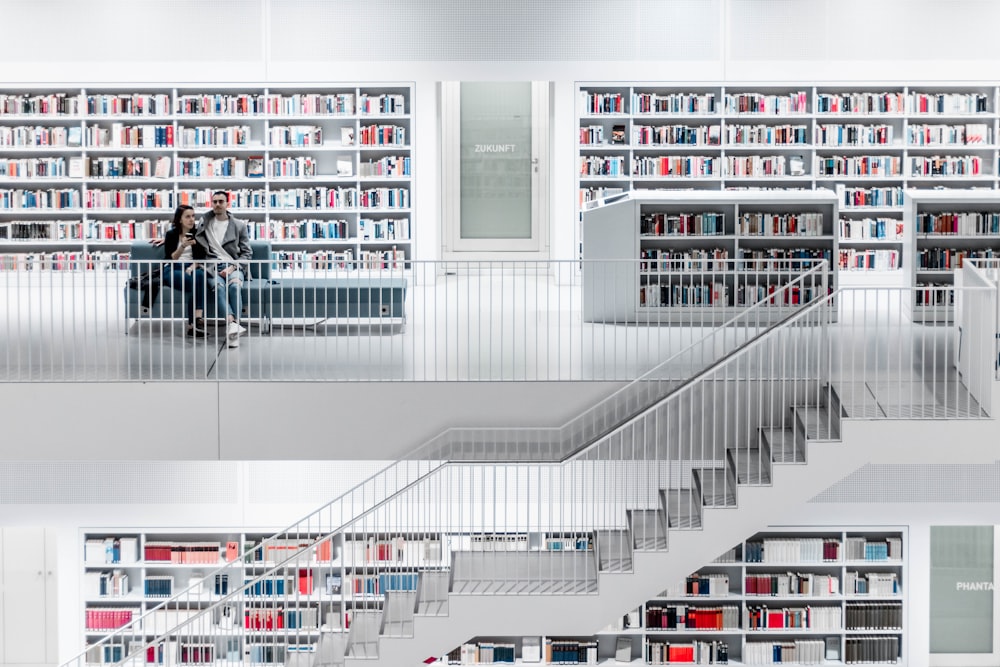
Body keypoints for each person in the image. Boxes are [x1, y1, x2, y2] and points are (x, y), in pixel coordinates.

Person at [192, 190, 252, 348]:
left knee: (234, 287)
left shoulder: (239, 225)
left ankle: (234, 328)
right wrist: (166, 238)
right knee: (218, 289)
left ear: (227, 204)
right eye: (215, 201)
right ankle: (233, 328)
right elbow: (187, 232)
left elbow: (247, 253)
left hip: (234, 265)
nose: (217, 204)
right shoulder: (205, 222)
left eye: (221, 201)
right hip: (212, 266)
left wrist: (232, 268)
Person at [160, 205, 211, 338]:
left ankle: (196, 321)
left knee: (200, 275)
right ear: (180, 219)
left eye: (193, 216)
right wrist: (183, 246)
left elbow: (201, 258)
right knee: (196, 283)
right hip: (173, 268)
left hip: (192, 266)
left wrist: (192, 267)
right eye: (187, 216)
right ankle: (194, 324)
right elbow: (171, 258)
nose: (191, 219)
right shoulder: (171, 235)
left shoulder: (198, 234)